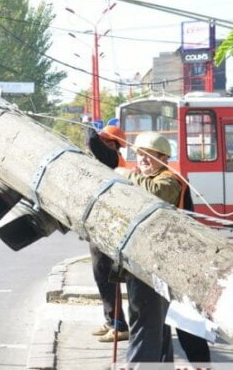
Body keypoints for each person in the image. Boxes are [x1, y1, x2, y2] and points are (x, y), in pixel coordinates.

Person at [115, 132, 212, 364]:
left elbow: (156, 192)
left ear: (163, 157)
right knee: (163, 323)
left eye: (149, 155)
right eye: (139, 155)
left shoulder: (170, 179)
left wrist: (123, 173)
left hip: (179, 262)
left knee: (187, 325)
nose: (143, 160)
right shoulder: (146, 177)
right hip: (163, 260)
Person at [85, 125, 129, 343]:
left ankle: (119, 325)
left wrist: (88, 127)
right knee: (101, 275)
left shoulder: (112, 159)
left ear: (112, 144)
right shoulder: (111, 159)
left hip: (108, 226)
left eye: (105, 141)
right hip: (102, 224)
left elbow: (92, 143)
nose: (101, 144)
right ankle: (111, 320)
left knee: (107, 275)